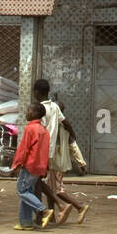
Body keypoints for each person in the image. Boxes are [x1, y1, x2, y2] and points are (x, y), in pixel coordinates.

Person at [34, 79, 89, 225]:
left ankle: (75, 206)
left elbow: (39, 131)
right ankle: (51, 215)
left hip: (45, 152)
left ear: (36, 92)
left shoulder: (39, 109)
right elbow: (65, 122)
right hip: (52, 152)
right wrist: (72, 133)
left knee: (41, 184)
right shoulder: (54, 107)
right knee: (49, 185)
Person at [11, 103, 54, 230]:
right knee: (28, 192)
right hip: (39, 166)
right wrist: (45, 167)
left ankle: (43, 210)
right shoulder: (44, 130)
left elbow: (24, 149)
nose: (27, 113)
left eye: (29, 110)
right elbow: (46, 150)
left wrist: (17, 164)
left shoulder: (30, 129)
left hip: (29, 165)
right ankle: (26, 222)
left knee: (22, 190)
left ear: (35, 113)